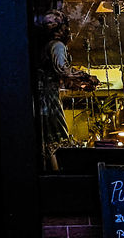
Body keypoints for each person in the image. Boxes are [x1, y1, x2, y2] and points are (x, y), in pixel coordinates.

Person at [36, 9, 97, 154]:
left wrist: (81, 84)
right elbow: (63, 70)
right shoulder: (57, 46)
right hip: (48, 97)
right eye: (66, 27)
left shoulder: (48, 47)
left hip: (47, 96)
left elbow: (63, 79)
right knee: (57, 135)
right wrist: (86, 77)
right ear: (61, 28)